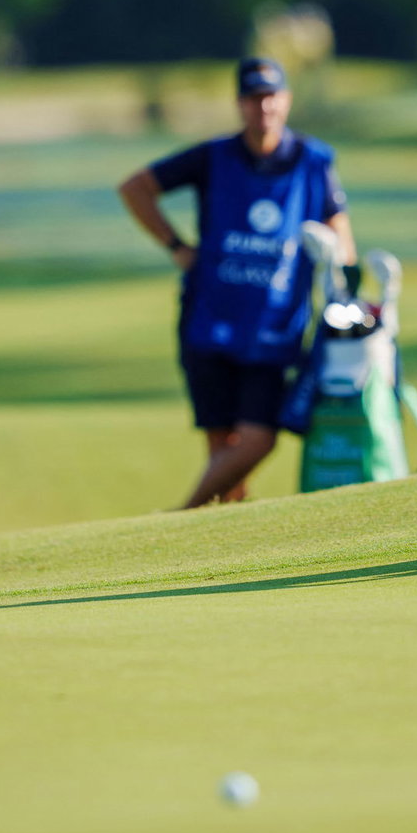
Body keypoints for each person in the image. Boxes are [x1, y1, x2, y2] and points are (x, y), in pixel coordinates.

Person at [118, 57, 355, 509]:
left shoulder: (315, 161)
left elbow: (340, 231)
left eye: (271, 96)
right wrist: (176, 247)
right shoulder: (212, 157)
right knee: (223, 449)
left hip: (274, 325)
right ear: (239, 104)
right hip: (210, 318)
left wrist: (339, 271)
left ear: (285, 101)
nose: (262, 106)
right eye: (253, 97)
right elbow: (135, 188)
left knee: (258, 439)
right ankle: (223, 533)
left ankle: (181, 516)